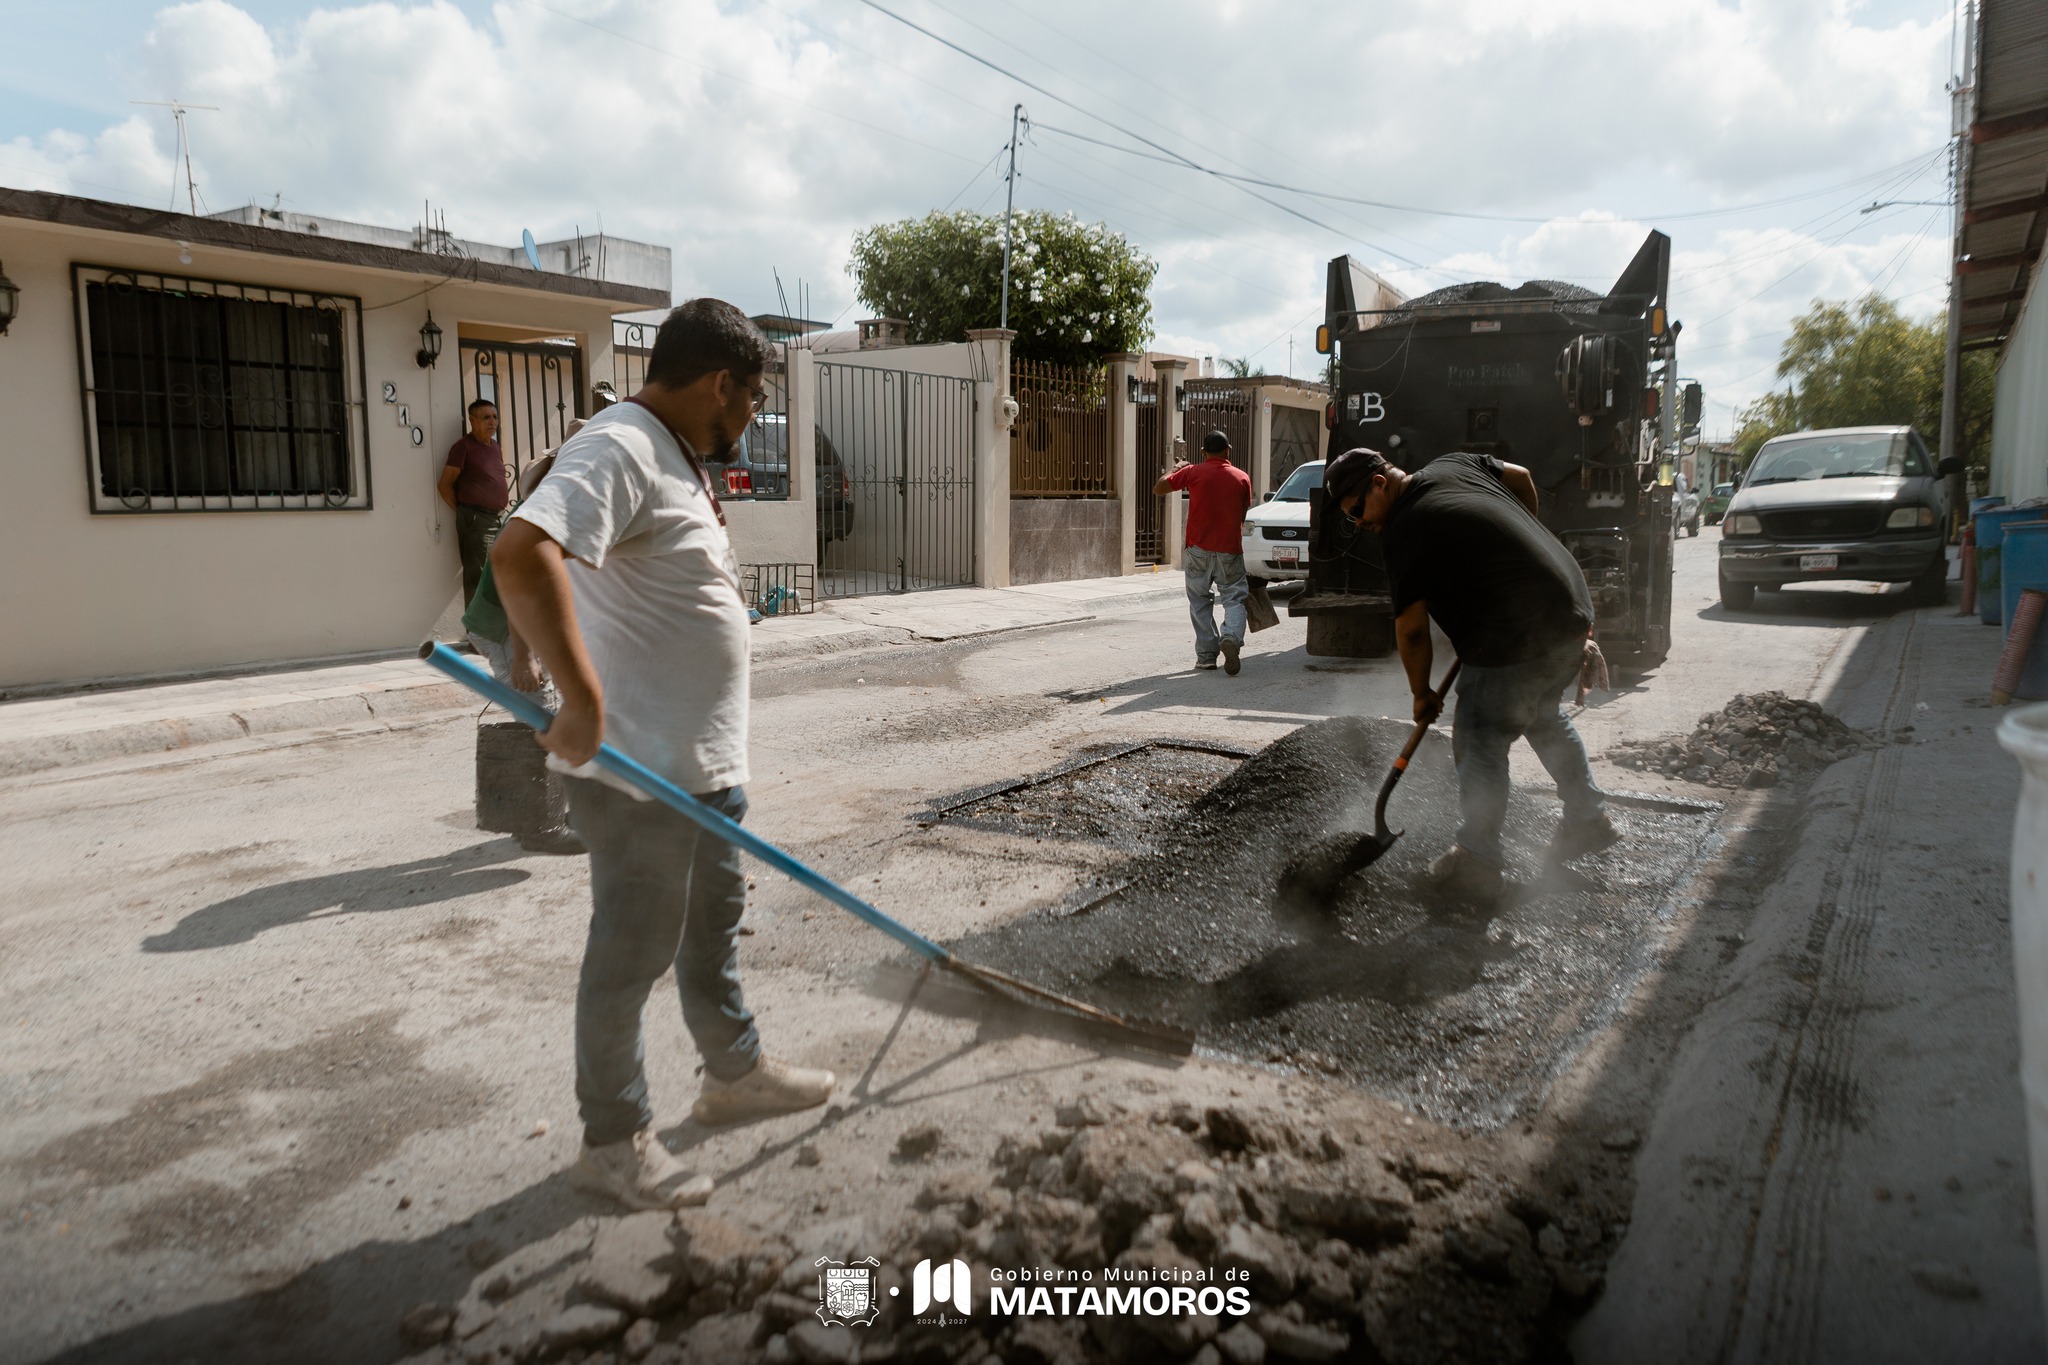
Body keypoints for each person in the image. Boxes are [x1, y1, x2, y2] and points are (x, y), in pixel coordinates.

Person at [492, 300, 835, 1211]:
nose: (753, 419)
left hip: (702, 768)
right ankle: (613, 1139)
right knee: (628, 957)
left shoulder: (676, 457)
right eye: (753, 399)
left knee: (709, 929)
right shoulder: (621, 444)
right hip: (639, 771)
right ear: (720, 382)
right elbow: (522, 554)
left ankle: (734, 1073)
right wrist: (583, 697)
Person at [1325, 446, 1618, 898]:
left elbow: (1412, 631)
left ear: (1379, 483)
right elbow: (1520, 476)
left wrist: (1421, 694)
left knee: (1480, 732)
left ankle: (1477, 860)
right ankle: (1587, 818)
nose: (1359, 523)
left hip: (1518, 635)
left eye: (1357, 510)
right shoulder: (1453, 464)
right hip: (1570, 611)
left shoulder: (1405, 530)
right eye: (1350, 518)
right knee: (1541, 712)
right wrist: (1514, 547)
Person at [1155, 429, 1254, 674]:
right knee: (1234, 598)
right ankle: (1230, 636)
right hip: (1229, 550)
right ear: (1227, 450)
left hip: (1198, 549)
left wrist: (1177, 468)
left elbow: (1158, 488)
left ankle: (1207, 656)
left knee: (1199, 601)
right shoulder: (1242, 477)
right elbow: (1242, 514)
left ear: (1202, 452)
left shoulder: (1192, 472)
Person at [440, 399, 510, 607]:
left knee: (497, 577)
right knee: (478, 580)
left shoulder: (495, 447)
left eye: (495, 417)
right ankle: (476, 638)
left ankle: (491, 635)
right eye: (486, 417)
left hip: (498, 519)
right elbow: (444, 486)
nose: (492, 422)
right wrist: (466, 511)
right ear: (472, 420)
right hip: (476, 521)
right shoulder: (463, 447)